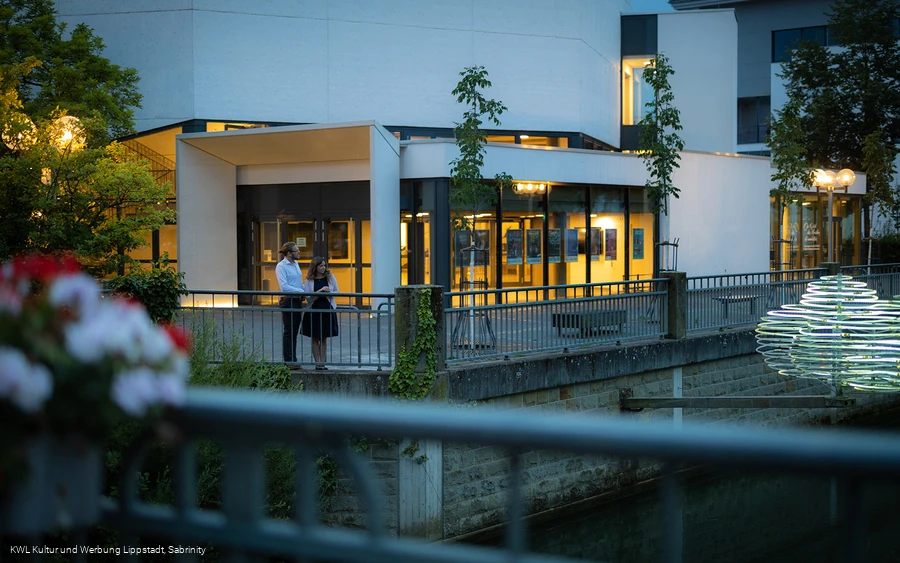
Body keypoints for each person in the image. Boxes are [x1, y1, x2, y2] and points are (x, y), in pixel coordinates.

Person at [301, 256, 339, 370]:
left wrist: (329, 292)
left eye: (324, 265)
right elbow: (308, 297)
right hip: (314, 309)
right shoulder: (309, 279)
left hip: (327, 308)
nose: (323, 268)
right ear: (315, 267)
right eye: (321, 266)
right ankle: (317, 363)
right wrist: (319, 292)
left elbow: (337, 291)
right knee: (315, 337)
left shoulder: (330, 277)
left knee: (324, 337)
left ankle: (322, 363)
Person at [275, 242, 305, 364]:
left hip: (297, 300)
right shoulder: (281, 266)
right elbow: (285, 287)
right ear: (289, 253)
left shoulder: (296, 264)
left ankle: (293, 359)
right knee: (289, 331)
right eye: (296, 250)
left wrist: (306, 290)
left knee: (294, 332)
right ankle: (289, 360)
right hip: (288, 301)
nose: (299, 252)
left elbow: (297, 283)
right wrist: (301, 291)